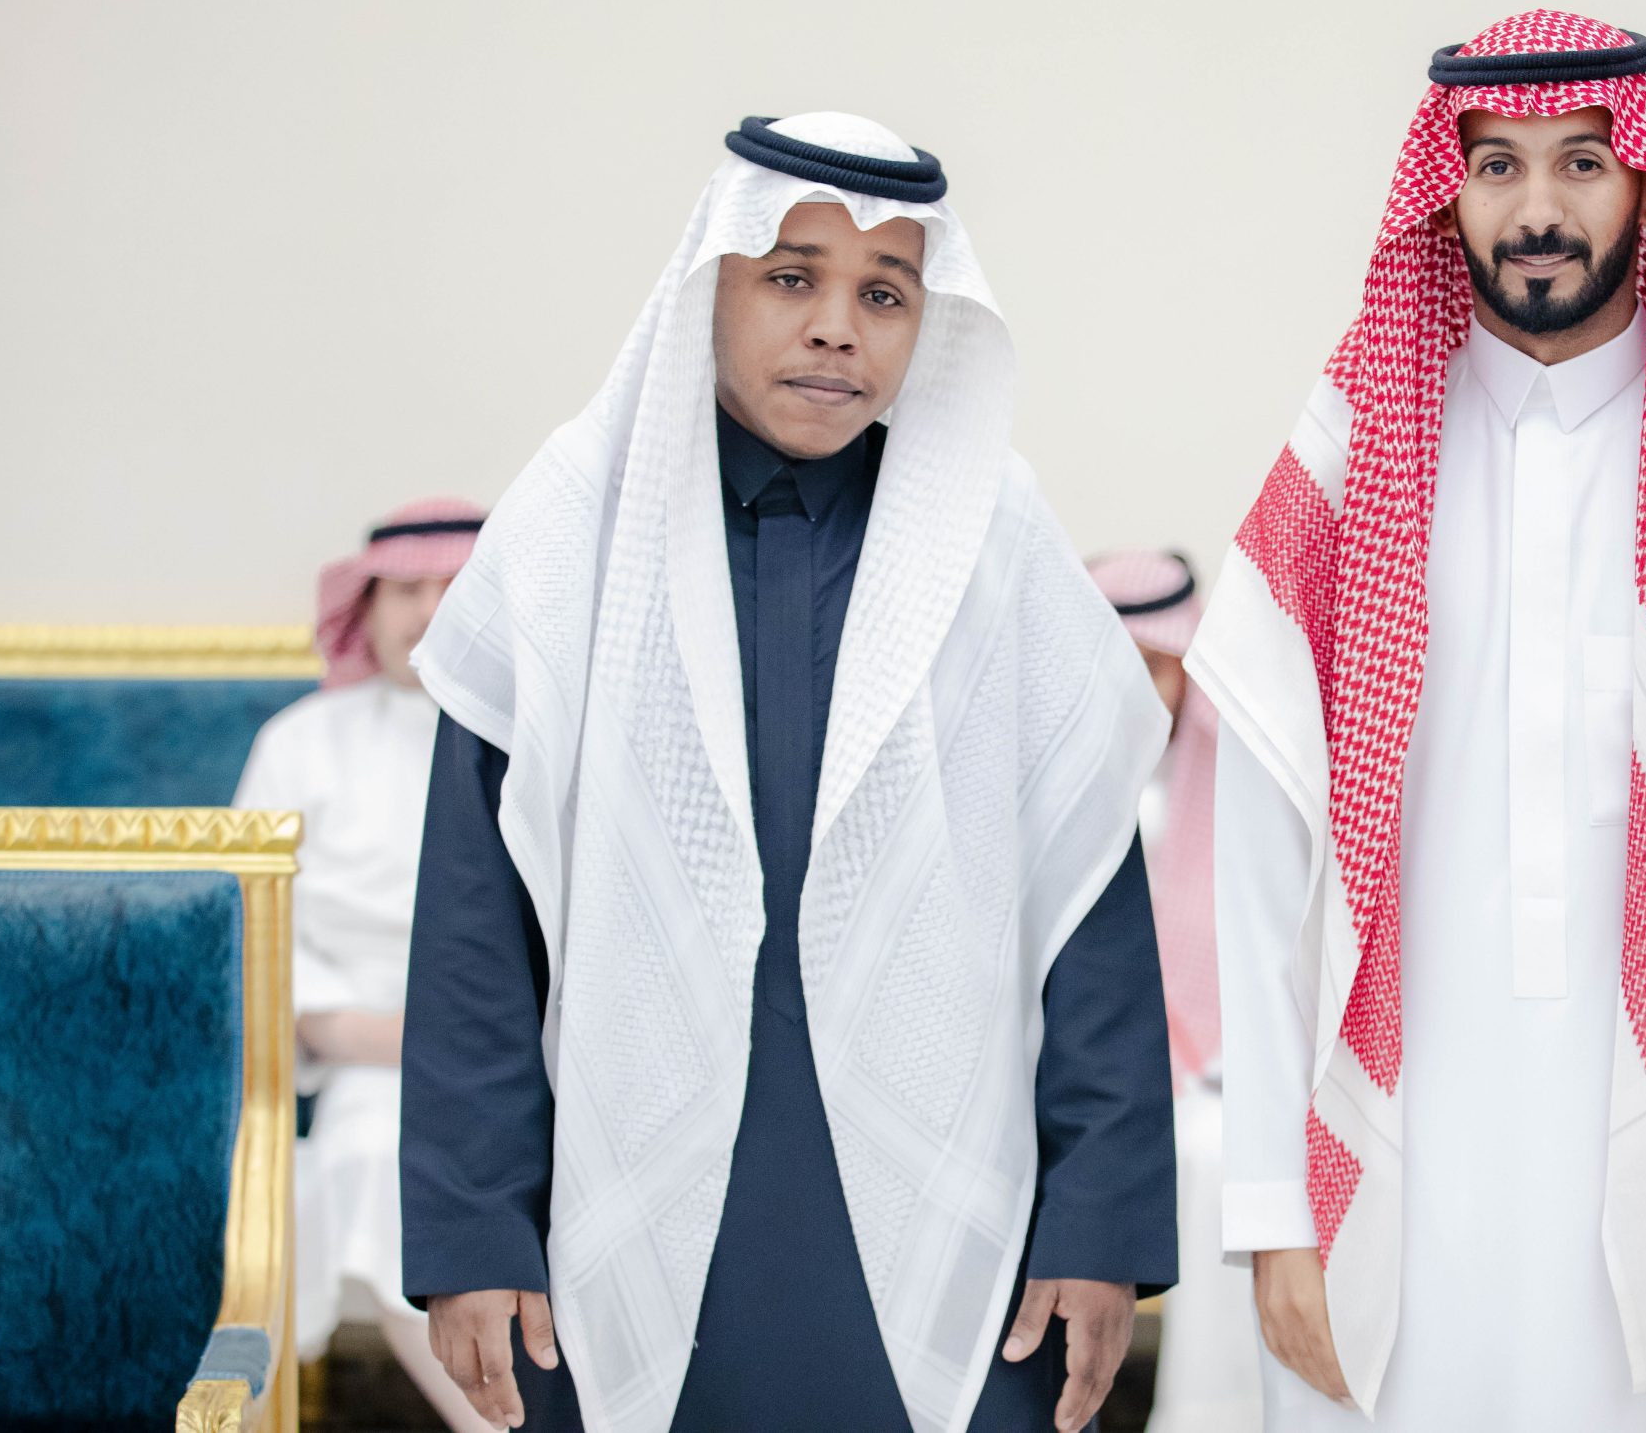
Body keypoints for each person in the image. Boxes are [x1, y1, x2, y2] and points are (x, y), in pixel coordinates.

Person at [1190, 11, 1646, 1431]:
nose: (1538, 209)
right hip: (1401, 1176)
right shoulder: (1349, 462)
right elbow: (1263, 860)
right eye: (1498, 166)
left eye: (1583, 161)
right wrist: (1276, 1206)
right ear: (1446, 191)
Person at [399, 113, 1178, 1433]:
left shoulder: (994, 539)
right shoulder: (570, 529)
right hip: (624, 1188)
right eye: (790, 276)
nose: (836, 328)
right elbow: (477, 919)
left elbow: (1092, 904)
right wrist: (474, 1226)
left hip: (951, 1190)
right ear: (709, 284)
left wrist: (1099, 1215)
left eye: (884, 293)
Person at [232, 499, 488, 1432]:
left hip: (527, 1050)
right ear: (366, 607)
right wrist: (360, 1032)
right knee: (376, 1156)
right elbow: (251, 923)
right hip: (366, 1060)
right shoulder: (299, 742)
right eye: (407, 589)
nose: (430, 610)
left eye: (455, 586)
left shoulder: (545, 734)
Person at [1087, 550, 1263, 1433]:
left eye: (1155, 668)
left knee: (1218, 1149)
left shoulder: (1229, 787)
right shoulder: (1065, 783)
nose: (1140, 695)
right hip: (1084, 1070)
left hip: (1204, 1074)